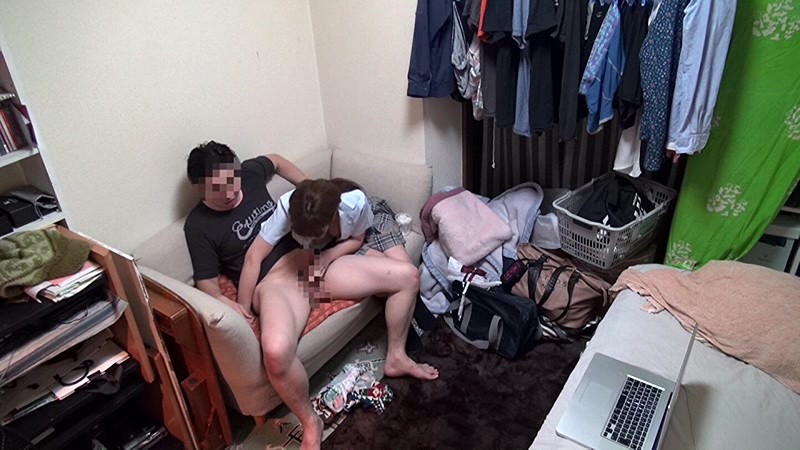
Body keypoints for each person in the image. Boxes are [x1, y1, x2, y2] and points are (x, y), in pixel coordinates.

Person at [238, 178, 439, 450]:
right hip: (300, 270)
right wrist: (244, 311)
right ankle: (311, 422)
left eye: (317, 232)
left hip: (329, 257)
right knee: (277, 348)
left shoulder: (353, 204)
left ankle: (396, 356)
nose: (310, 238)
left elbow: (356, 239)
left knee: (408, 276)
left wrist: (328, 256)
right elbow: (254, 256)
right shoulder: (287, 208)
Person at [183, 141, 307, 333]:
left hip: (304, 260)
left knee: (359, 276)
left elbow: (276, 160)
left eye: (232, 180)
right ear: (199, 187)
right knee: (277, 346)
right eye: (216, 188)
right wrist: (223, 301)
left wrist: (310, 185)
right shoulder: (198, 225)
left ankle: (312, 297)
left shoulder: (249, 174)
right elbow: (206, 280)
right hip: (270, 283)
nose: (228, 193)